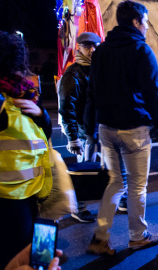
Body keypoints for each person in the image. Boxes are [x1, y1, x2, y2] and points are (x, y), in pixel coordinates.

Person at [84, 0, 158, 256]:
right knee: (136, 185)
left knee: (115, 182)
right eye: (145, 21)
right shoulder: (141, 51)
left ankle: (100, 237)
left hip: (106, 128)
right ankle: (137, 236)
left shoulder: (101, 51)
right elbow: (152, 90)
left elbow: (92, 92)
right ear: (135, 21)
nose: (146, 27)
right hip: (134, 129)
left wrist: (90, 125)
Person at [0, 31, 53, 269]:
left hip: (36, 191)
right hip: (8, 199)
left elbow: (45, 132)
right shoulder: (2, 100)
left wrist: (41, 113)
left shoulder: (23, 92)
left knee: (40, 250)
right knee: (19, 253)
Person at [58, 32, 100, 223]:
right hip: (84, 133)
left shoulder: (97, 70)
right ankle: (79, 207)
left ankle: (118, 200)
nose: (92, 50)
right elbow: (66, 107)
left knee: (106, 168)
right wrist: (73, 137)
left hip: (98, 129)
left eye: (95, 46)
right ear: (79, 47)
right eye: (88, 46)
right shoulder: (73, 73)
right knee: (83, 171)